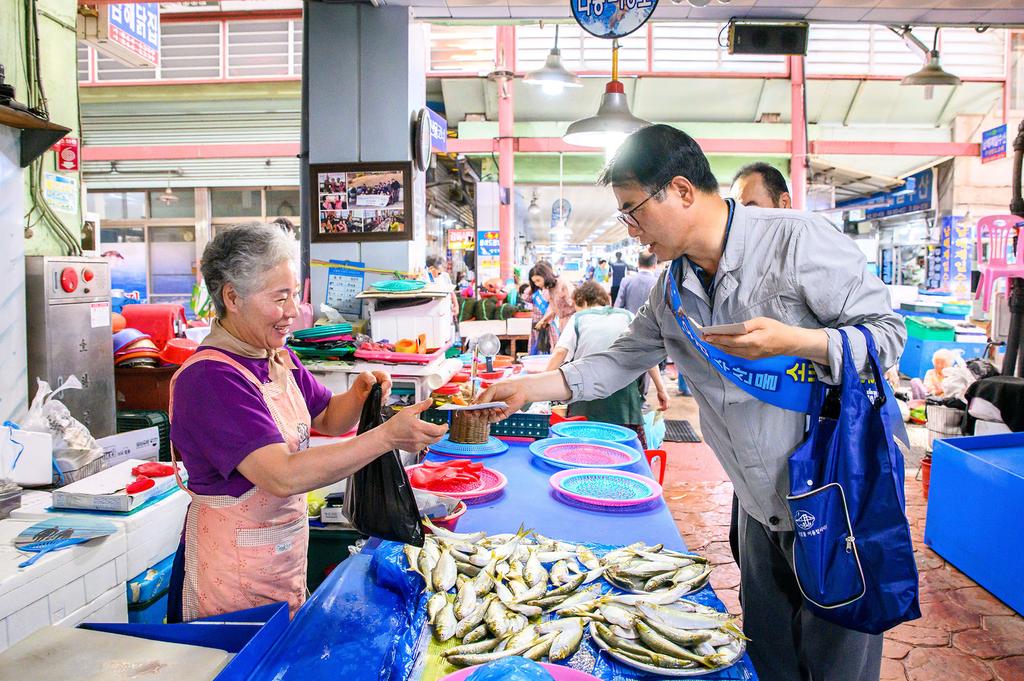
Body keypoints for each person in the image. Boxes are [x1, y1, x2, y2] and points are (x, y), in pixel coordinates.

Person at [477, 125, 906, 681]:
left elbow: (887, 335)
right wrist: (527, 388)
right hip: (757, 505)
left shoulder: (796, 241)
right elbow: (618, 361)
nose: (631, 231)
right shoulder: (672, 291)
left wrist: (795, 341)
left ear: (680, 190)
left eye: (633, 212)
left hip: (833, 496)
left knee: (835, 669)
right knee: (770, 661)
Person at [168, 223, 447, 622]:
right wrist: (386, 436)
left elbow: (329, 418)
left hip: (278, 557)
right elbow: (281, 475)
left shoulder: (275, 355)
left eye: (295, 295)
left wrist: (359, 396)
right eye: (279, 298)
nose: (292, 312)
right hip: (227, 580)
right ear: (232, 296)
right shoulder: (211, 380)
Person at [545, 281, 668, 447]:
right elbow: (646, 357)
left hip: (585, 394)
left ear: (584, 302)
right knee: (624, 449)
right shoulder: (627, 316)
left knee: (584, 448)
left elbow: (560, 352)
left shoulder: (579, 318)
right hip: (625, 399)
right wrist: (661, 390)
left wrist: (541, 382)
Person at [527, 260, 574, 355]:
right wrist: (544, 320)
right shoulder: (549, 288)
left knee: (570, 350)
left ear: (545, 276)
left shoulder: (562, 284)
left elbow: (576, 304)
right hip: (562, 322)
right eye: (534, 282)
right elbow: (553, 308)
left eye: (538, 280)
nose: (536, 284)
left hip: (572, 321)